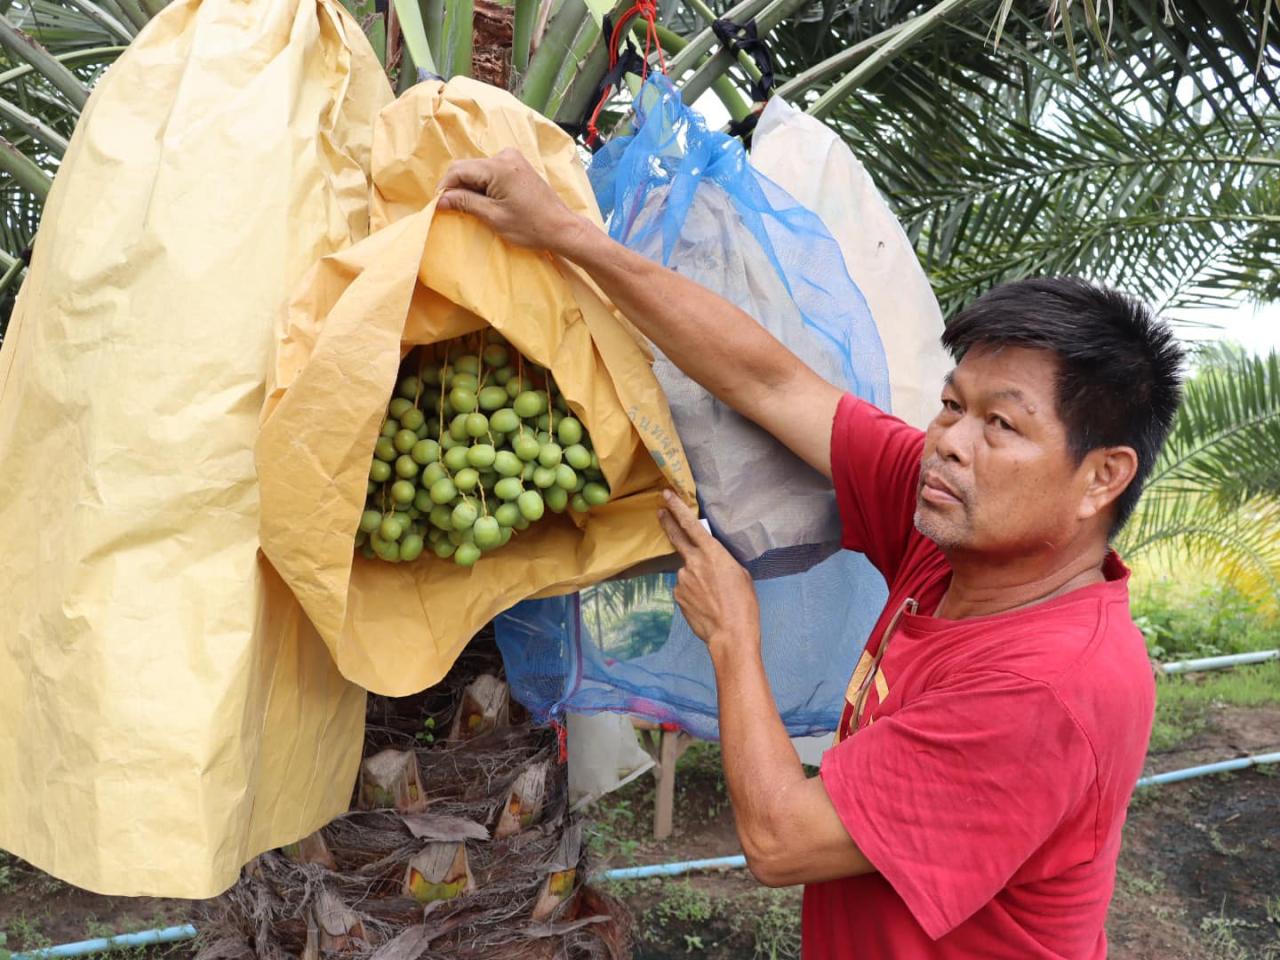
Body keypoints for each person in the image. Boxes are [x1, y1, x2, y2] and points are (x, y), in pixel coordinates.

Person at [437, 149, 1186, 958]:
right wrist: (565, 234)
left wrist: (732, 634)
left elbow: (782, 842)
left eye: (1000, 426)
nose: (949, 444)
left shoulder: (1048, 688)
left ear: (1101, 477)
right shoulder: (967, 534)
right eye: (950, 406)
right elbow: (771, 384)